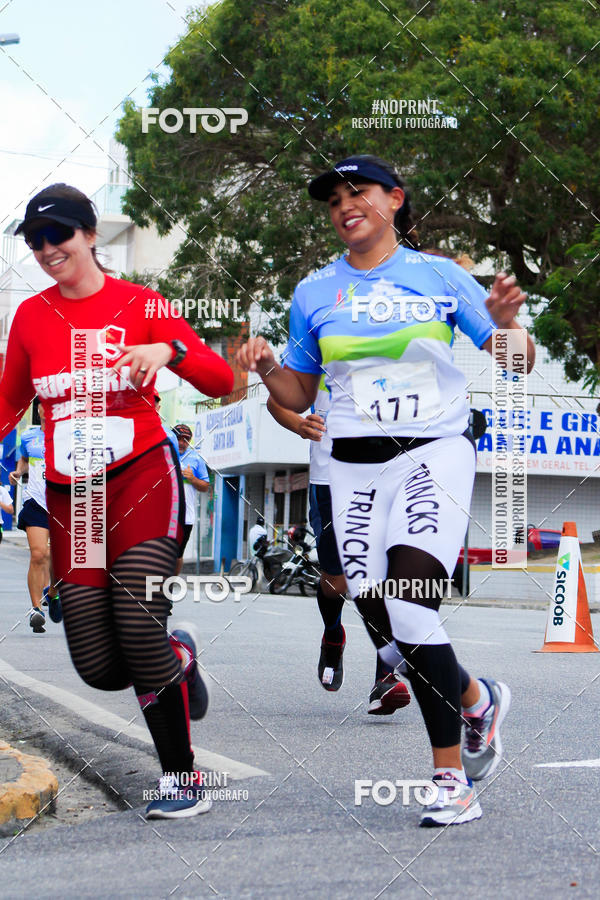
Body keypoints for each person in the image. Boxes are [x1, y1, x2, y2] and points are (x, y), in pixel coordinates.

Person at [236, 155, 535, 827]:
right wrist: (267, 368)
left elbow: (512, 363)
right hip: (352, 470)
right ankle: (478, 700)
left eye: (360, 191)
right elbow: (300, 392)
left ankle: (450, 780)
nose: (346, 204)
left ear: (394, 199)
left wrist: (508, 325)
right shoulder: (315, 292)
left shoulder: (439, 276)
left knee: (410, 603)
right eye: (335, 197)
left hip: (433, 454)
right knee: (395, 626)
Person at [0, 183, 234, 819]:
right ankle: (178, 658)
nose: (49, 250)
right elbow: (9, 402)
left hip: (141, 481)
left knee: (136, 624)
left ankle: (182, 779)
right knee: (100, 668)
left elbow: (221, 377)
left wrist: (168, 348)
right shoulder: (30, 317)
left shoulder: (141, 304)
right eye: (37, 241)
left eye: (61, 236)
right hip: (74, 497)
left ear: (90, 235)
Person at [267, 394, 410, 712]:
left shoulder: (400, 352)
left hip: (386, 478)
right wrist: (300, 424)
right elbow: (278, 402)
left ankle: (385, 679)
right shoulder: (320, 352)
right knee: (338, 581)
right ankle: (333, 636)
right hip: (329, 482)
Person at [9, 398, 60, 631]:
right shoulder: (29, 437)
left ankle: (52, 592)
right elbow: (25, 459)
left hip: (63, 504)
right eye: (41, 404)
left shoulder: (71, 436)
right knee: (39, 554)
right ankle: (36, 609)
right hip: (36, 502)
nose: (44, 408)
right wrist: (19, 471)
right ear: (38, 409)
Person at [172, 424, 210, 576]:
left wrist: (192, 478)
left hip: (186, 517)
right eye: (179, 439)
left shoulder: (196, 458)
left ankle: (170, 585)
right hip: (163, 515)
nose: (182, 443)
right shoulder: (164, 453)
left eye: (186, 440)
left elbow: (205, 486)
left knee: (177, 555)